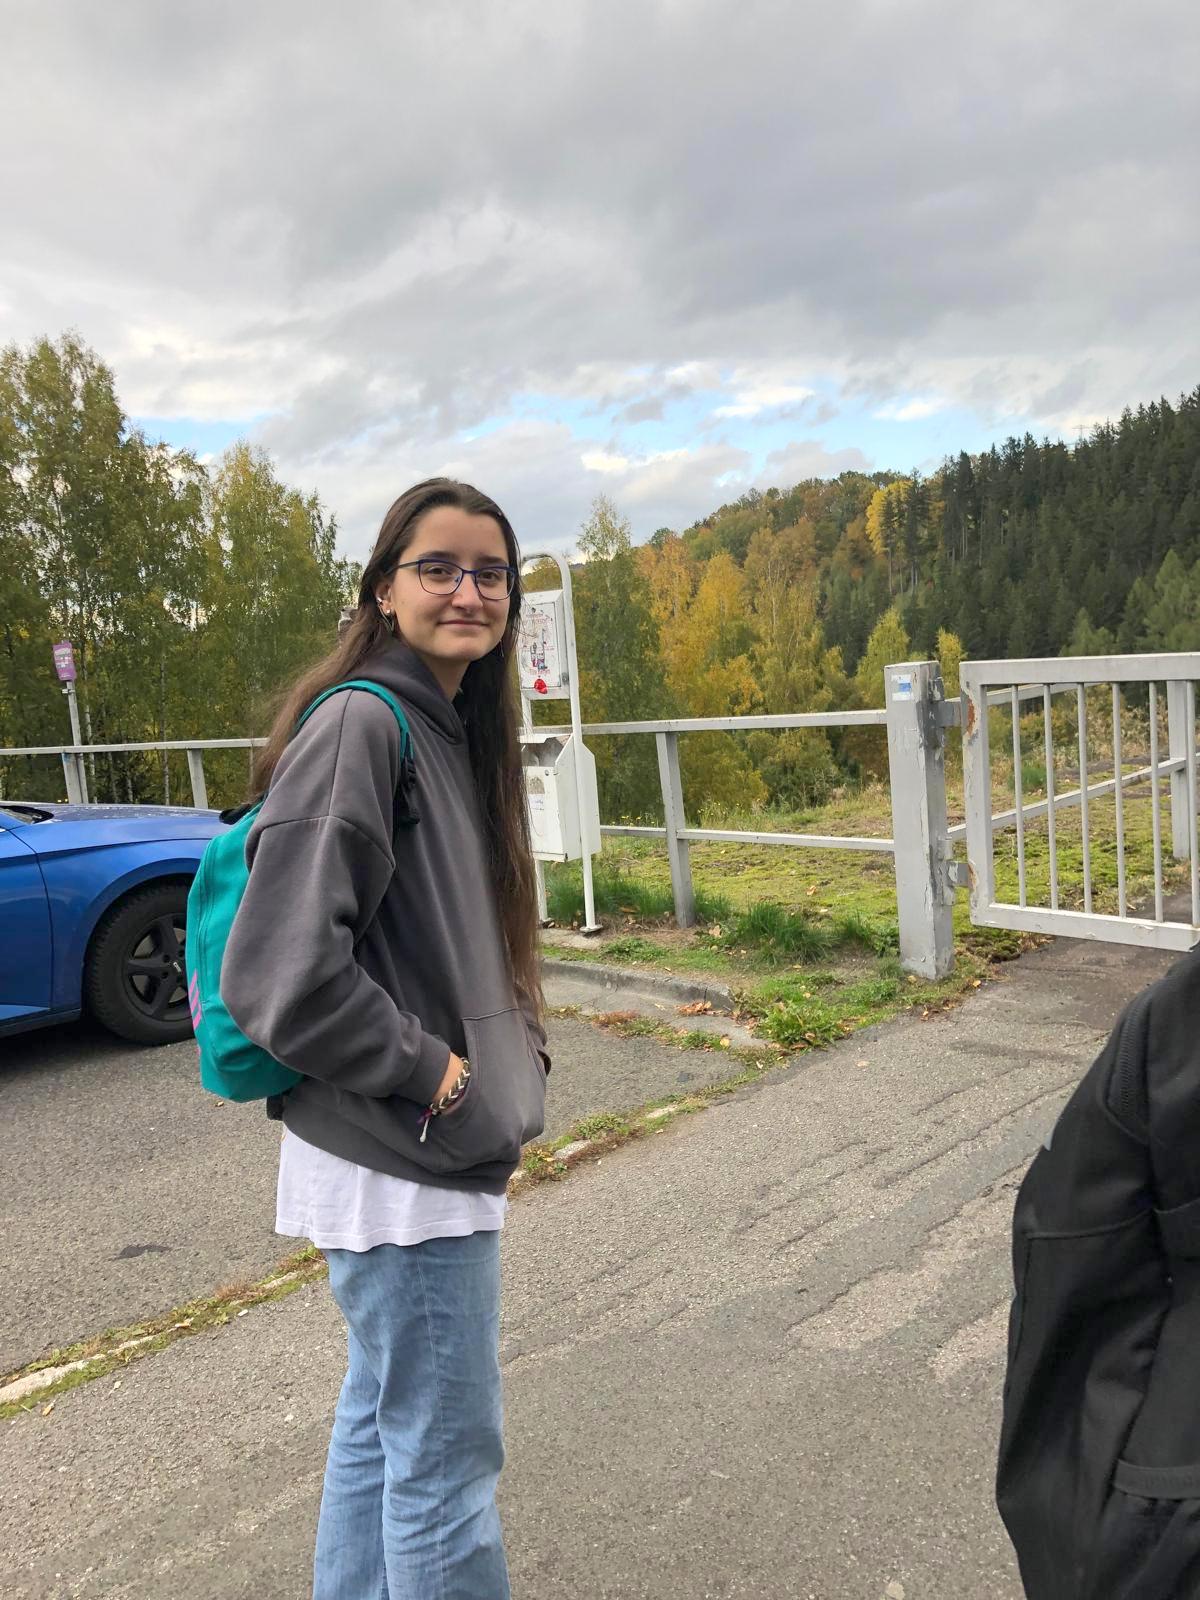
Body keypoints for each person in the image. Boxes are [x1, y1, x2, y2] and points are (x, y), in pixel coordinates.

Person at [221, 478, 549, 1600]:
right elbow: (283, 975)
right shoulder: (365, 723)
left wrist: (514, 1053)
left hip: (406, 1153)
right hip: (400, 1161)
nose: (468, 591)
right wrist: (441, 1078)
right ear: (382, 589)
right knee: (445, 1474)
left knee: (382, 1429)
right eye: (438, 567)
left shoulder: (449, 729)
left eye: (491, 572)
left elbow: (452, 943)